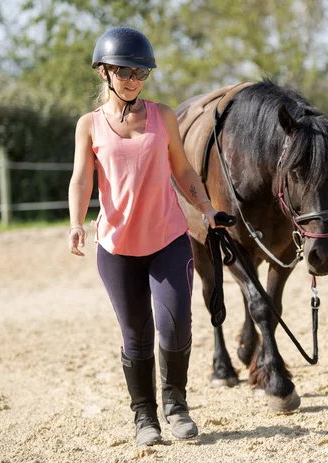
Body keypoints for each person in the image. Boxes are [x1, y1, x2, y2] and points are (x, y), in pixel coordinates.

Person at [67, 27, 222, 447]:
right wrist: (77, 222)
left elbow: (184, 170)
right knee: (135, 335)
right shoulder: (89, 125)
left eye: (141, 71)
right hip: (116, 247)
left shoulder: (163, 116)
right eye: (125, 71)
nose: (134, 78)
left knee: (174, 325)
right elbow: (82, 180)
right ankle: (144, 418)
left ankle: (176, 407)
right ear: (104, 72)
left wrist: (207, 208)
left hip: (169, 239)